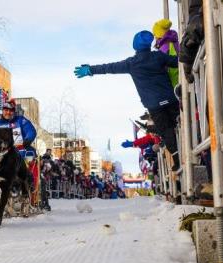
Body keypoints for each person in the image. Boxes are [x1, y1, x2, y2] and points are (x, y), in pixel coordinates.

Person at [74, 30, 180, 171]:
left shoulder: (132, 63)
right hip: (170, 99)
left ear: (135, 46)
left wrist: (90, 70)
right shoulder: (159, 57)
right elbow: (176, 62)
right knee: (180, 124)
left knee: (166, 131)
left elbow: (109, 67)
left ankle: (178, 159)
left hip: (154, 105)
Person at [152, 19, 180, 87]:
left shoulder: (165, 47)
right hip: (182, 82)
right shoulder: (176, 43)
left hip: (174, 84)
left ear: (159, 35)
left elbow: (171, 69)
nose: (155, 37)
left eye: (155, 34)